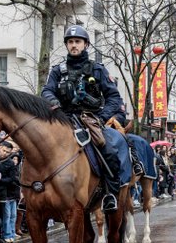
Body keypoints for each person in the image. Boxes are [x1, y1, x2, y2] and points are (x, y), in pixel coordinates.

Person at [41, 24, 124, 213]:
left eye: (77, 41)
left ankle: (111, 194)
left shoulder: (97, 70)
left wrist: (101, 118)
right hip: (64, 118)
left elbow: (114, 98)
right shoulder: (57, 71)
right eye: (70, 42)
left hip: (90, 119)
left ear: (85, 44)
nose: (73, 45)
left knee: (108, 150)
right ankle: (36, 190)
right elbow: (46, 90)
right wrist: (54, 102)